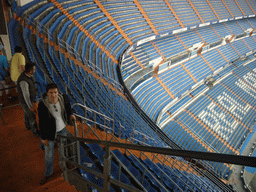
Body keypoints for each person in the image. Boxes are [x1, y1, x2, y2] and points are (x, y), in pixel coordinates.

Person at [38, 83, 76, 185]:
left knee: (63, 150)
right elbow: (41, 122)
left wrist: (71, 114)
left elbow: (69, 108)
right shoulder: (42, 105)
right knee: (49, 155)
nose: (53, 95)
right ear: (47, 93)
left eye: (55, 92)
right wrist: (43, 137)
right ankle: (48, 173)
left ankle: (63, 166)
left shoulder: (64, 98)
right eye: (51, 93)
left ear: (58, 92)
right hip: (49, 133)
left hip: (62, 130)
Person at [17, 62, 40, 137]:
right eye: (34, 69)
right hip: (26, 102)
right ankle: (35, 132)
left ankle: (27, 126)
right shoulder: (23, 80)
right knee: (32, 117)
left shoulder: (28, 76)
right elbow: (26, 95)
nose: (35, 70)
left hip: (29, 100)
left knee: (26, 113)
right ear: (30, 70)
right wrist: (30, 106)